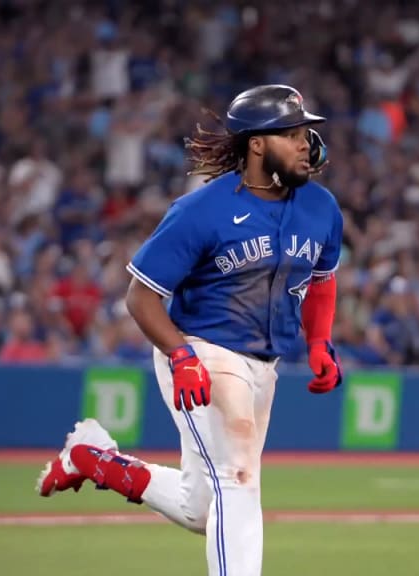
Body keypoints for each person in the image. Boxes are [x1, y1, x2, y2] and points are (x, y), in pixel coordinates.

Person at [35, 85, 345, 576]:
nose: (306, 142)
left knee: (206, 508)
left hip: (264, 364)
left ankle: (93, 459)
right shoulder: (201, 210)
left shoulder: (322, 208)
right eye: (291, 133)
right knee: (239, 477)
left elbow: (322, 282)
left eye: (307, 132)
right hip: (203, 348)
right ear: (257, 144)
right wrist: (181, 356)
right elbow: (141, 296)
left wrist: (319, 341)